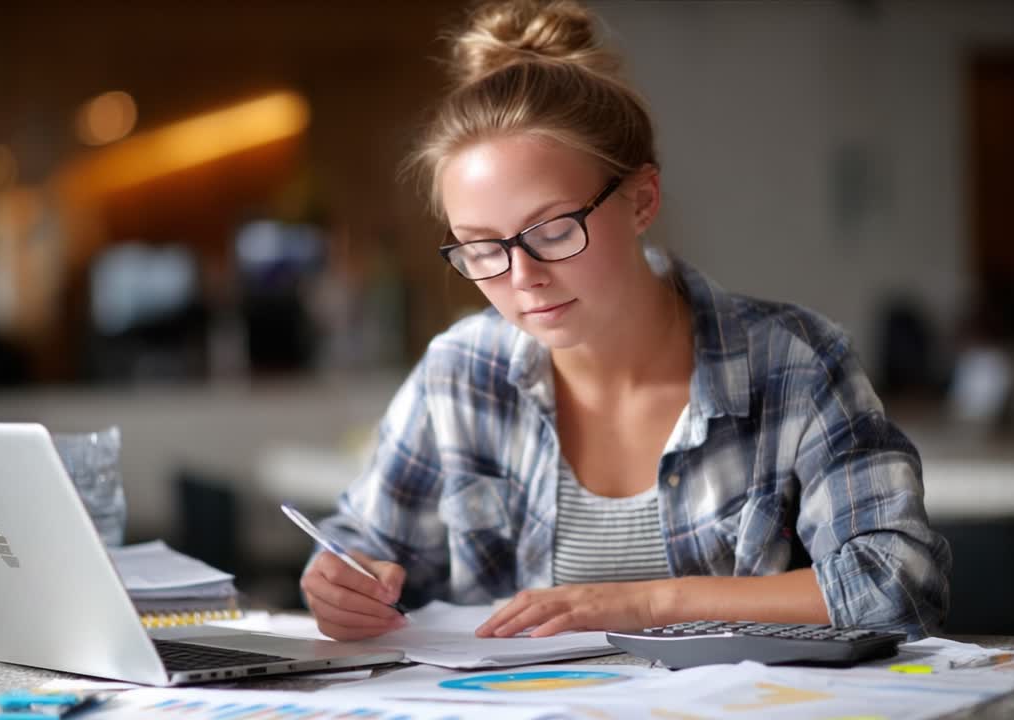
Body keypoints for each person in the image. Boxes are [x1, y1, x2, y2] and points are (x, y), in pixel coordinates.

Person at [300, 0, 951, 643]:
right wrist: (339, 584)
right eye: (481, 248)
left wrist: (647, 605)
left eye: (553, 231)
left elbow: (897, 581)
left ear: (641, 200)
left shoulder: (791, 364)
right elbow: (361, 547)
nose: (522, 277)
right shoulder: (462, 373)